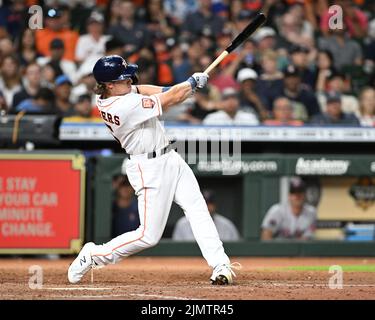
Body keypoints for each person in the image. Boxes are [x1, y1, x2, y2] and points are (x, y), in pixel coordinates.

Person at [68, 55, 236, 285]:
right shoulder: (121, 106)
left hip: (169, 156)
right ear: (109, 85)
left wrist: (182, 87)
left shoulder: (117, 92)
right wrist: (189, 86)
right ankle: (94, 255)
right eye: (123, 79)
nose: (129, 81)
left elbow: (144, 89)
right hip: (148, 167)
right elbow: (167, 100)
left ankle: (220, 265)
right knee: (148, 236)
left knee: (198, 209)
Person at [173, 190, 240, 241]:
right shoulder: (182, 224)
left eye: (209, 203)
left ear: (215, 206)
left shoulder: (227, 226)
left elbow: (238, 250)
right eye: (203, 203)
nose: (206, 207)